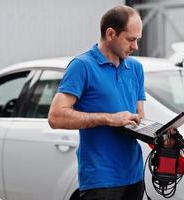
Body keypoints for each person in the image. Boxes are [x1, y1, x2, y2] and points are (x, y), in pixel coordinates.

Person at [48, 5, 145, 200]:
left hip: (134, 176)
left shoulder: (135, 68)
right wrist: (109, 119)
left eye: (137, 40)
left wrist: (162, 134)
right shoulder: (82, 66)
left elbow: (139, 116)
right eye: (131, 39)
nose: (135, 47)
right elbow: (55, 117)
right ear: (111, 34)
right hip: (101, 180)